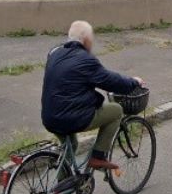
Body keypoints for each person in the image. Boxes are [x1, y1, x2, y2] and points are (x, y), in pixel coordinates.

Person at [41, 20, 144, 171]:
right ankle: (98, 156)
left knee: (71, 146)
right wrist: (133, 82)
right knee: (116, 110)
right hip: (71, 117)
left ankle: (60, 190)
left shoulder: (54, 53)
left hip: (50, 116)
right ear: (86, 40)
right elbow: (111, 81)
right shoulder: (85, 60)